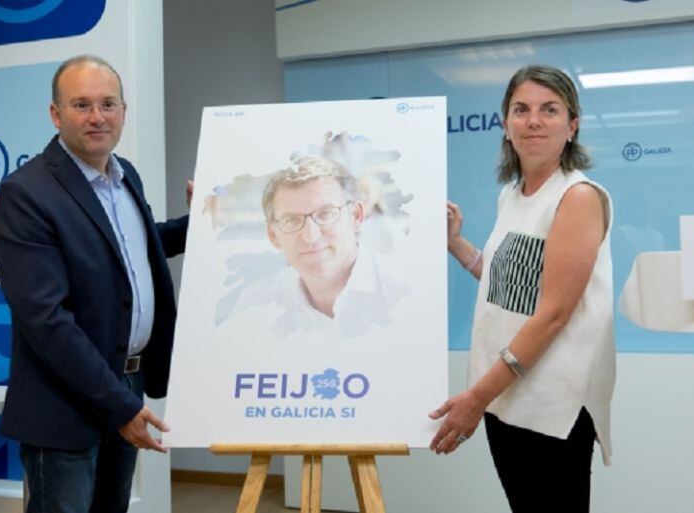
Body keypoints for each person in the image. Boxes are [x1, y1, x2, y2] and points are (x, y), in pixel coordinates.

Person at [0, 55, 189, 513]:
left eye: (108, 104)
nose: (97, 117)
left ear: (123, 111)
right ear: (56, 114)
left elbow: (133, 248)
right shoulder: (27, 193)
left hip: (127, 383)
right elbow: (46, 321)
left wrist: (201, 224)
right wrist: (119, 404)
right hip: (64, 403)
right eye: (81, 105)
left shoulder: (124, 176)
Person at [428, 65, 615, 513]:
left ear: (572, 126)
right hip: (507, 400)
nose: (533, 120)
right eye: (521, 109)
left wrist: (476, 396)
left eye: (550, 110)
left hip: (551, 409)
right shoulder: (513, 194)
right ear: (505, 124)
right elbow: (507, 286)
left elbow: (552, 313)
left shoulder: (578, 197)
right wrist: (456, 245)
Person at [235, 156, 409, 339]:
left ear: (356, 217)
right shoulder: (254, 308)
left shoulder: (404, 297)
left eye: (326, 214)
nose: (311, 235)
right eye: (291, 220)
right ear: (273, 235)